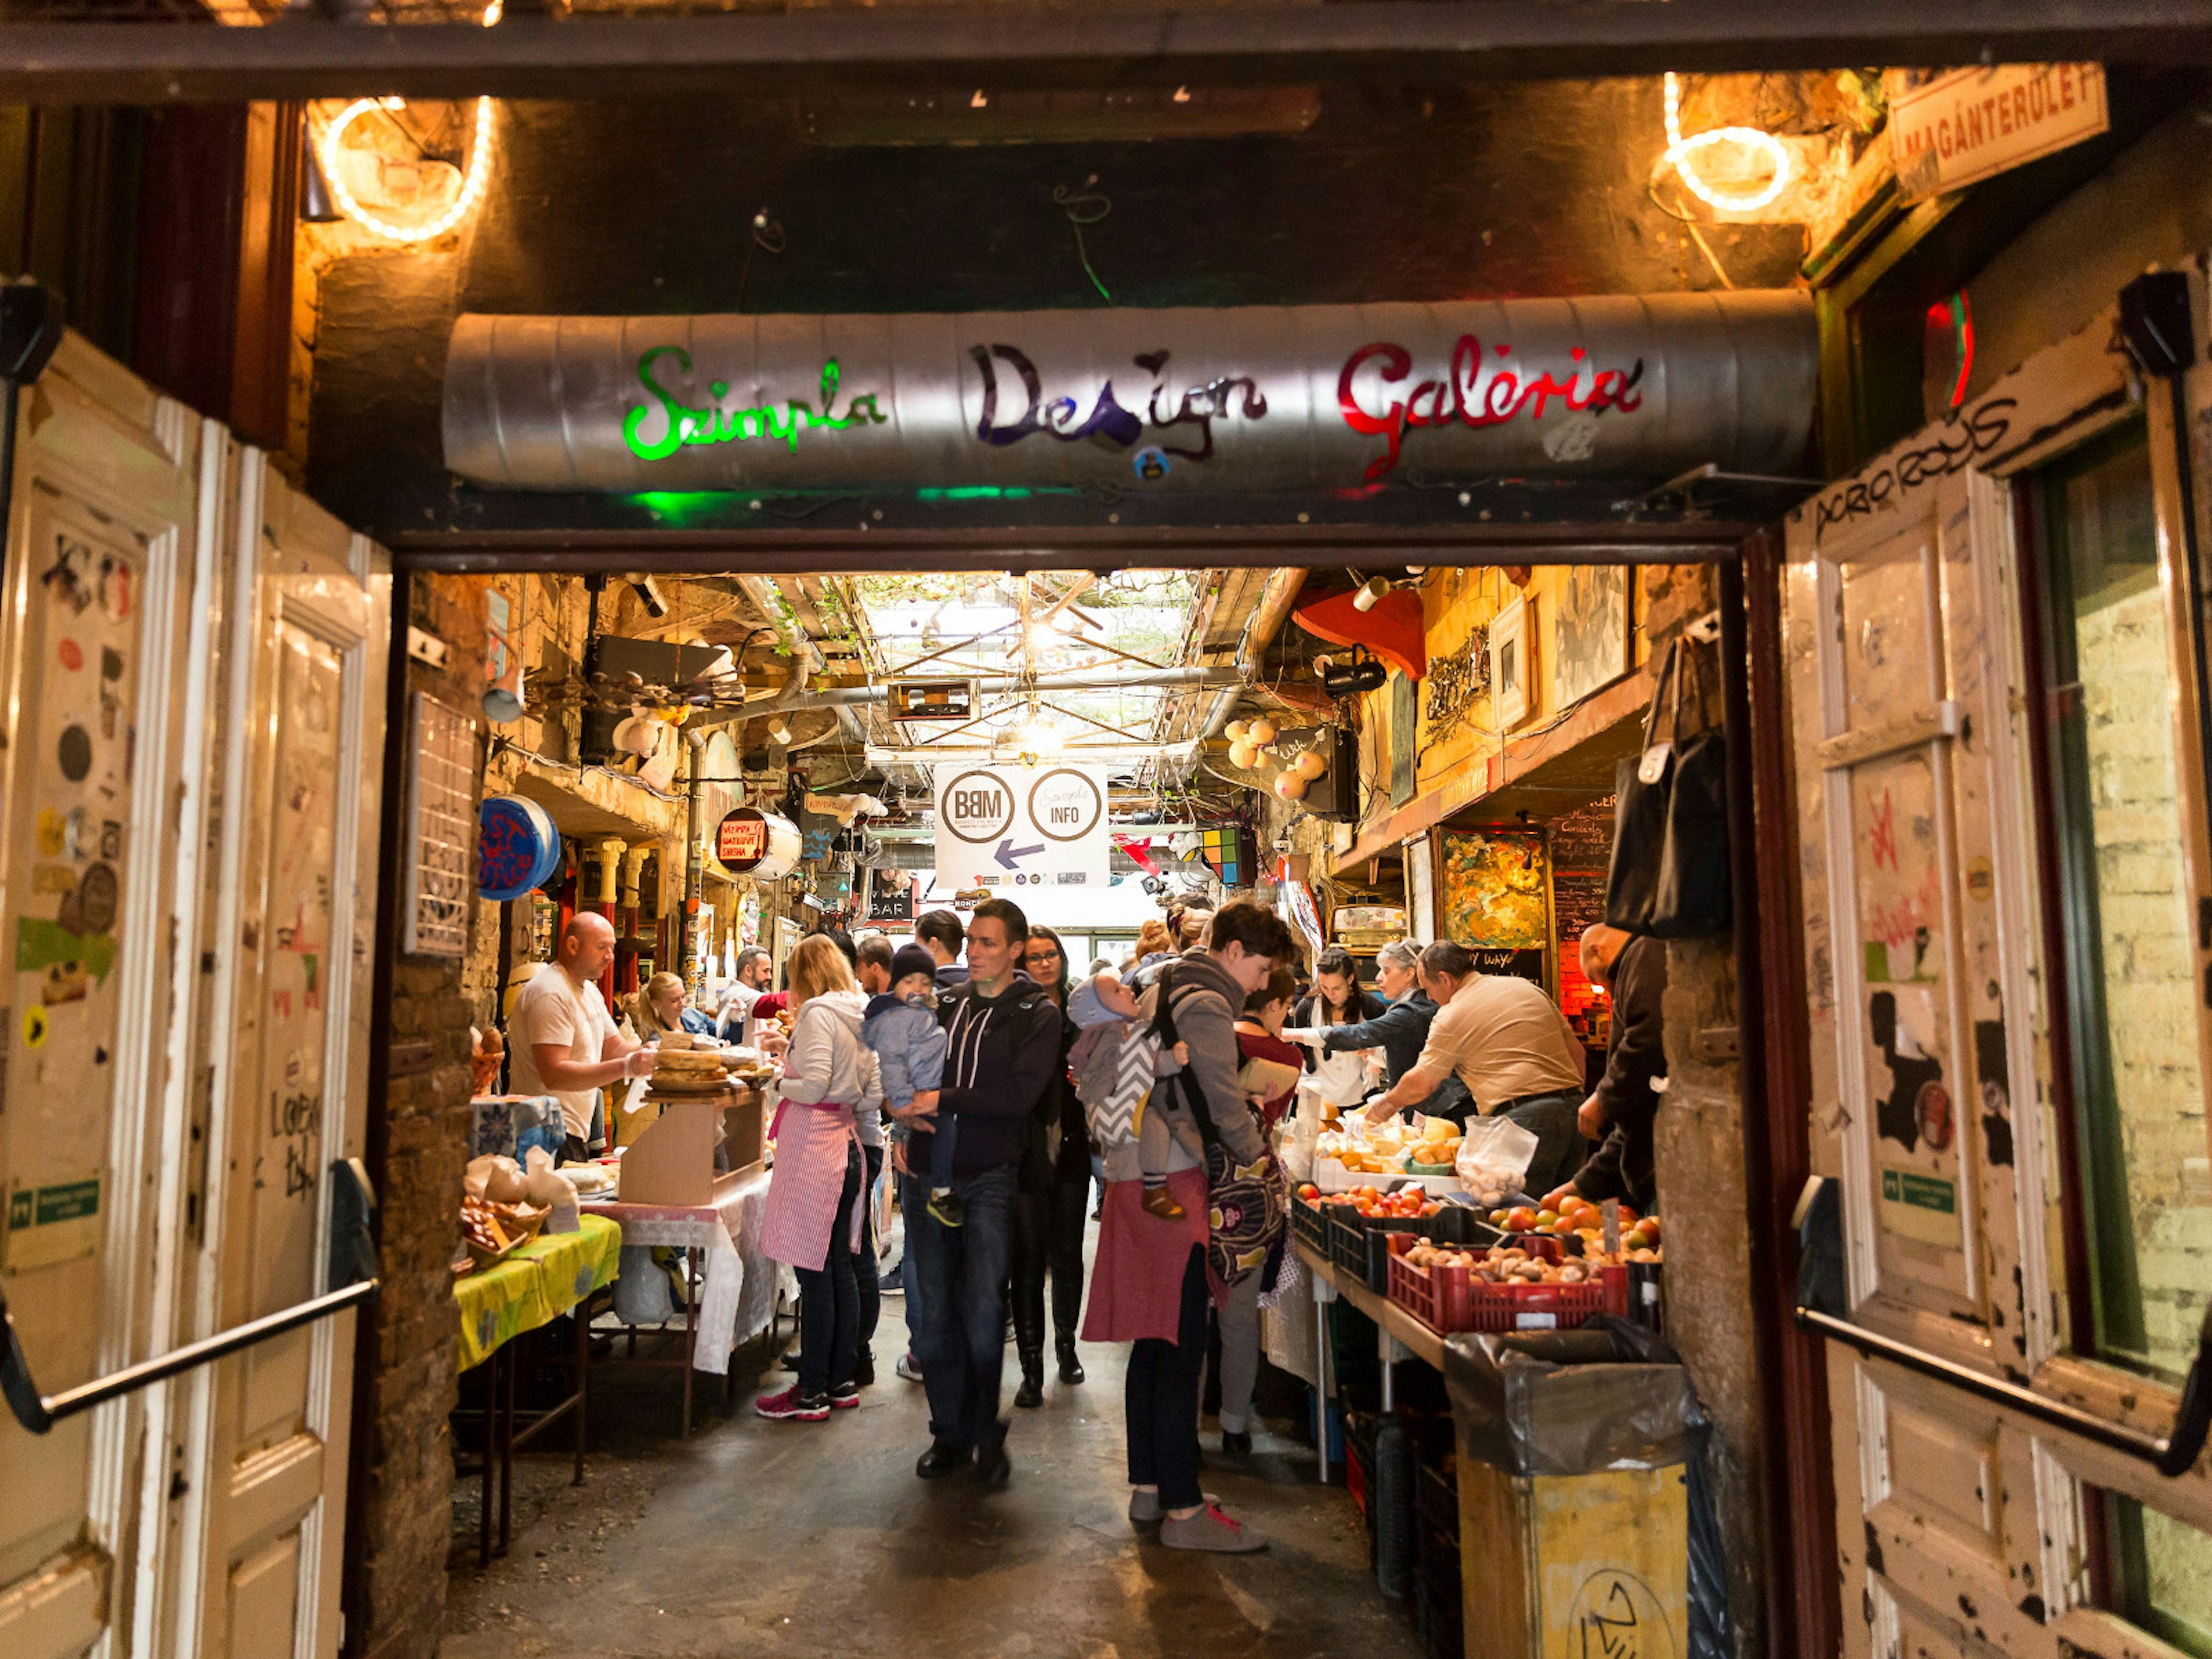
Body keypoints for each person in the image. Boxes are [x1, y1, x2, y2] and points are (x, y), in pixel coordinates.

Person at [1084, 896, 1291, 1554]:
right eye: (1261, 967)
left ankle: (1151, 1488)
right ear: (1234, 950)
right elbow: (1223, 1099)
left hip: (1136, 1177)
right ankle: (1182, 1508)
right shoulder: (1206, 1001)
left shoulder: (1168, 981)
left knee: (1153, 1342)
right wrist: (1259, 1157)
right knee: (1178, 1346)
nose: (1261, 983)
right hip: (1170, 1181)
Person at [902, 898, 1061, 1487]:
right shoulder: (946, 1006)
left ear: (1016, 949)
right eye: (972, 940)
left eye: (989, 943)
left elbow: (1017, 1096)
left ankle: (985, 1431)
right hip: (928, 1171)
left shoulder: (1036, 1014)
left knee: (985, 1310)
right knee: (937, 1313)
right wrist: (903, 1122)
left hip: (991, 1174)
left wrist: (942, 1100)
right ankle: (950, 1434)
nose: (975, 951)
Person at [756, 935, 877, 1422]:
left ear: (803, 974)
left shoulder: (817, 1014)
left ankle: (810, 1393)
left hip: (813, 1149)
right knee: (839, 1269)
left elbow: (814, 1083)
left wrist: (775, 1080)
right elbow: (874, 1094)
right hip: (848, 1143)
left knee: (815, 1272)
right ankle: (840, 1381)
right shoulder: (864, 1014)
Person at [1364, 941, 1589, 1198]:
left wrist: (1387, 1105)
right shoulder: (1526, 988)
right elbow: (1577, 1053)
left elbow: (1424, 1081)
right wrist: (1569, 1101)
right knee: (1566, 1214)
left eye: (1428, 989)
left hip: (1523, 1122)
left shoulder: (1452, 1013)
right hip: (1575, 1112)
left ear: (1445, 979)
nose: (1428, 998)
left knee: (1520, 1215)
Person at [1211, 964, 1301, 1457]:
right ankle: (1234, 1425)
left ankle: (1182, 1419)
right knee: (1239, 1315)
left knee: (1187, 1311)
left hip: (1196, 1181)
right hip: (1249, 1191)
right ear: (1272, 1006)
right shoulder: (1284, 1056)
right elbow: (1278, 1113)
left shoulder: (1211, 1040)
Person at [1010, 926, 1090, 1407]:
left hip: (1074, 1144)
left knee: (1067, 1254)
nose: (1044, 963)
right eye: (1036, 957)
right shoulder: (1016, 1011)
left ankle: (1067, 1347)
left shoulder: (1081, 1011)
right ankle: (1031, 1367)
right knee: (1027, 1260)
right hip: (1024, 1148)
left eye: (1051, 955)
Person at [507, 913, 654, 1162]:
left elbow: (613, 1046)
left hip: (571, 1131)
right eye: (601, 948)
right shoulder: (551, 992)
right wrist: (628, 1066)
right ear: (573, 946)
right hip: (542, 1133)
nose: (610, 956)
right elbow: (554, 1073)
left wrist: (647, 1054)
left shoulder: (590, 991)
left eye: (612, 948)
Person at [1543, 925, 1669, 1215]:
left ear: (1595, 951)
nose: (1604, 989)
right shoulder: (1641, 959)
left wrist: (1604, 1098)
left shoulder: (1644, 952)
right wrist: (1578, 1188)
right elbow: (1632, 1122)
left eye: (1593, 977)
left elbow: (1648, 1037)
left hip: (1668, 1171)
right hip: (1652, 1172)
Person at [1282, 938, 1470, 1122]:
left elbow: (1358, 1034)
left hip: (1446, 1110)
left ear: (1409, 974)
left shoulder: (1411, 1011)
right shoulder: (1411, 1007)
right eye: (1325, 988)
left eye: (1386, 971)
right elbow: (1411, 1055)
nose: (1378, 977)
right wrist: (1375, 1054)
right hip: (1434, 1107)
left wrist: (1292, 1034)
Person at [865, 945, 956, 1225]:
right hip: (915, 1094)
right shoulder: (896, 1018)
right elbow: (893, 1063)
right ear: (895, 985)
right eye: (909, 981)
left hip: (920, 1091)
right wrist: (903, 1105)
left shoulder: (915, 1012)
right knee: (945, 1132)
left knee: (931, 1137)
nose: (918, 987)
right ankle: (942, 1193)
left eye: (925, 982)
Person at [629, 970, 717, 1043]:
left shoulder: (693, 1015)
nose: (682, 1003)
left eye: (683, 996)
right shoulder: (657, 1040)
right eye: (674, 1001)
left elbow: (724, 1034)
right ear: (656, 1003)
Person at [717, 945, 772, 1042]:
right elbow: (770, 1004)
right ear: (748, 970)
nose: (769, 977)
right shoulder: (736, 993)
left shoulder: (754, 992)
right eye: (765, 971)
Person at [916, 908, 968, 985]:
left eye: (917, 945)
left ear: (933, 945)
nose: (915, 952)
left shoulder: (925, 990)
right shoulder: (976, 985)